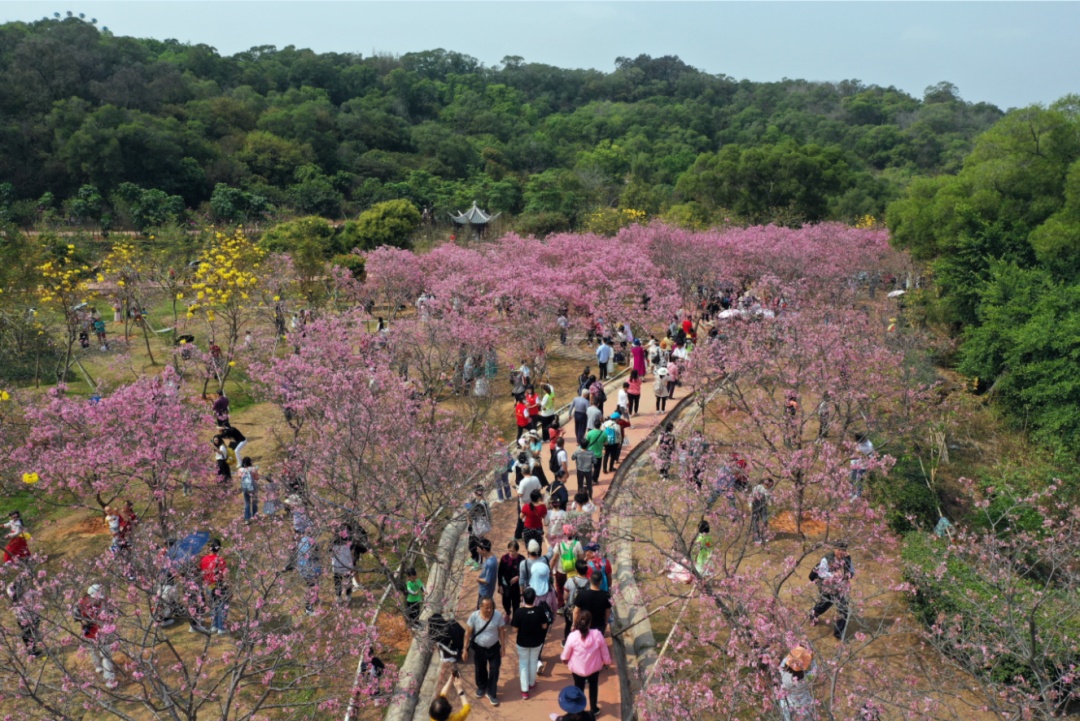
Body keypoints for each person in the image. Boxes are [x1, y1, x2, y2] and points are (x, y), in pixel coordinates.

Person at [560, 611, 611, 717]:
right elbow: (604, 651)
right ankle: (594, 708)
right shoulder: (597, 635)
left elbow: (566, 652)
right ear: (590, 623)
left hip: (577, 669)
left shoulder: (573, 636)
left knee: (578, 688)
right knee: (593, 687)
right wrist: (607, 662)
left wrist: (564, 659)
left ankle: (579, 710)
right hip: (594, 668)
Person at [463, 596, 507, 707]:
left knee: (494, 670)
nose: (489, 610)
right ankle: (482, 686)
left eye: (491, 607)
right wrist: (465, 649)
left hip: (494, 648)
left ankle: (491, 693)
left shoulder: (497, 616)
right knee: (480, 669)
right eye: (486, 608)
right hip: (479, 648)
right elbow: (468, 633)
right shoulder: (474, 616)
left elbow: (501, 631)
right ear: (480, 607)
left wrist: (503, 646)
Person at [809, 542, 854, 640]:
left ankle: (839, 634)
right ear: (834, 549)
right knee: (826, 603)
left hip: (841, 587)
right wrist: (833, 575)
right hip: (828, 586)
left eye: (843, 550)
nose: (840, 552)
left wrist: (847, 574)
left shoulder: (847, 558)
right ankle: (814, 613)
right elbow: (821, 573)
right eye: (838, 550)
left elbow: (851, 571)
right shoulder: (826, 559)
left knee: (843, 609)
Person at [77, 584, 118, 688]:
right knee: (93, 650)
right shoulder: (83, 603)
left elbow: (112, 612)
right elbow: (76, 616)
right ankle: (98, 665)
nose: (98, 600)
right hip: (91, 632)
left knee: (105, 654)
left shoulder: (105, 600)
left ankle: (109, 678)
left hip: (104, 631)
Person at [512, 587, 549, 699]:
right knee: (533, 662)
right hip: (537, 642)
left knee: (523, 664)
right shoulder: (539, 611)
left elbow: (514, 630)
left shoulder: (519, 612)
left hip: (522, 643)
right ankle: (532, 684)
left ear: (523, 598)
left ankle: (524, 691)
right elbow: (544, 626)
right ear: (534, 599)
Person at [199, 538, 229, 634]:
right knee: (222, 606)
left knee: (213, 606)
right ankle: (221, 628)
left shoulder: (203, 559)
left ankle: (214, 626)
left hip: (208, 585)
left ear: (209, 548)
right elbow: (225, 574)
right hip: (219, 585)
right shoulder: (220, 560)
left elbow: (202, 572)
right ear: (218, 548)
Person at [573, 561, 612, 636]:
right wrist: (606, 622)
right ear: (600, 581)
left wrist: (574, 624)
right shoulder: (606, 596)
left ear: (590, 579)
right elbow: (607, 612)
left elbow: (576, 611)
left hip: (584, 624)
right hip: (599, 625)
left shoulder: (582, 594)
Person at [778, 646, 816, 721]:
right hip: (803, 705)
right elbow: (815, 670)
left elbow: (786, 660)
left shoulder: (782, 670)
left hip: (786, 703)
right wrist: (812, 660)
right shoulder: (806, 679)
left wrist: (795, 656)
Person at [520, 539, 558, 613]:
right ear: (539, 550)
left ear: (528, 551)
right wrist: (546, 539)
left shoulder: (523, 564)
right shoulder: (545, 560)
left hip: (530, 594)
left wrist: (522, 594)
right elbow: (551, 551)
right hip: (545, 591)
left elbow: (522, 581)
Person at [562, 559, 591, 642]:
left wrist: (566, 603)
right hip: (584, 611)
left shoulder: (570, 581)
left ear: (576, 569)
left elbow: (565, 597)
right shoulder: (589, 583)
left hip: (570, 609)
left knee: (568, 626)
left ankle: (567, 642)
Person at [465, 486, 492, 570]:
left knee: (478, 544)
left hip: (479, 527)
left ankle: (479, 562)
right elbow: (469, 508)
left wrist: (469, 513)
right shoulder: (476, 501)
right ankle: (474, 557)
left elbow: (473, 514)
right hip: (473, 526)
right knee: (471, 544)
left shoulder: (482, 503)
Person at [498, 540, 525, 617]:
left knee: (516, 603)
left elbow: (524, 572)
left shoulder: (522, 559)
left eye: (513, 551)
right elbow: (500, 572)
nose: (511, 553)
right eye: (509, 551)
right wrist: (500, 585)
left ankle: (515, 617)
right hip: (506, 585)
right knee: (505, 602)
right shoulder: (504, 559)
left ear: (517, 550)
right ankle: (507, 612)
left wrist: (518, 577)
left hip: (517, 586)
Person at [296, 533, 321, 616]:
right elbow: (311, 555)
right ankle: (308, 608)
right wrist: (317, 551)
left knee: (314, 585)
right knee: (311, 587)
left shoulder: (303, 540)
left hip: (305, 568)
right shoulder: (309, 543)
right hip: (308, 569)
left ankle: (315, 599)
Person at [331, 529, 355, 603]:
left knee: (337, 582)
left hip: (337, 566)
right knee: (348, 580)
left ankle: (339, 597)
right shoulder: (349, 543)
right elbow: (352, 551)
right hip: (347, 565)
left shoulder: (333, 544)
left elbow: (330, 552)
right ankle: (348, 595)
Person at [850, 433, 875, 499]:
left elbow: (870, 456)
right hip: (855, 463)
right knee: (852, 477)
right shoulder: (857, 443)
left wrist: (861, 454)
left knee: (859, 480)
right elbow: (854, 451)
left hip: (863, 465)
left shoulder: (869, 445)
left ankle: (858, 495)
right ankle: (851, 492)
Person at [751, 478, 774, 543]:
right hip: (755, 504)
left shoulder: (769, 490)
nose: (769, 486)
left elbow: (769, 498)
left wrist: (770, 503)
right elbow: (751, 496)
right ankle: (756, 536)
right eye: (769, 485)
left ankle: (765, 534)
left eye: (770, 485)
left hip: (764, 505)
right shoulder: (757, 488)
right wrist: (750, 505)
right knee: (755, 520)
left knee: (765, 520)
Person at [476, 539, 498, 607]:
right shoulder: (492, 557)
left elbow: (487, 580)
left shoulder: (490, 563)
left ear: (484, 550)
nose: (477, 551)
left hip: (485, 592)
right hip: (486, 591)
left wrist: (478, 579)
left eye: (479, 549)